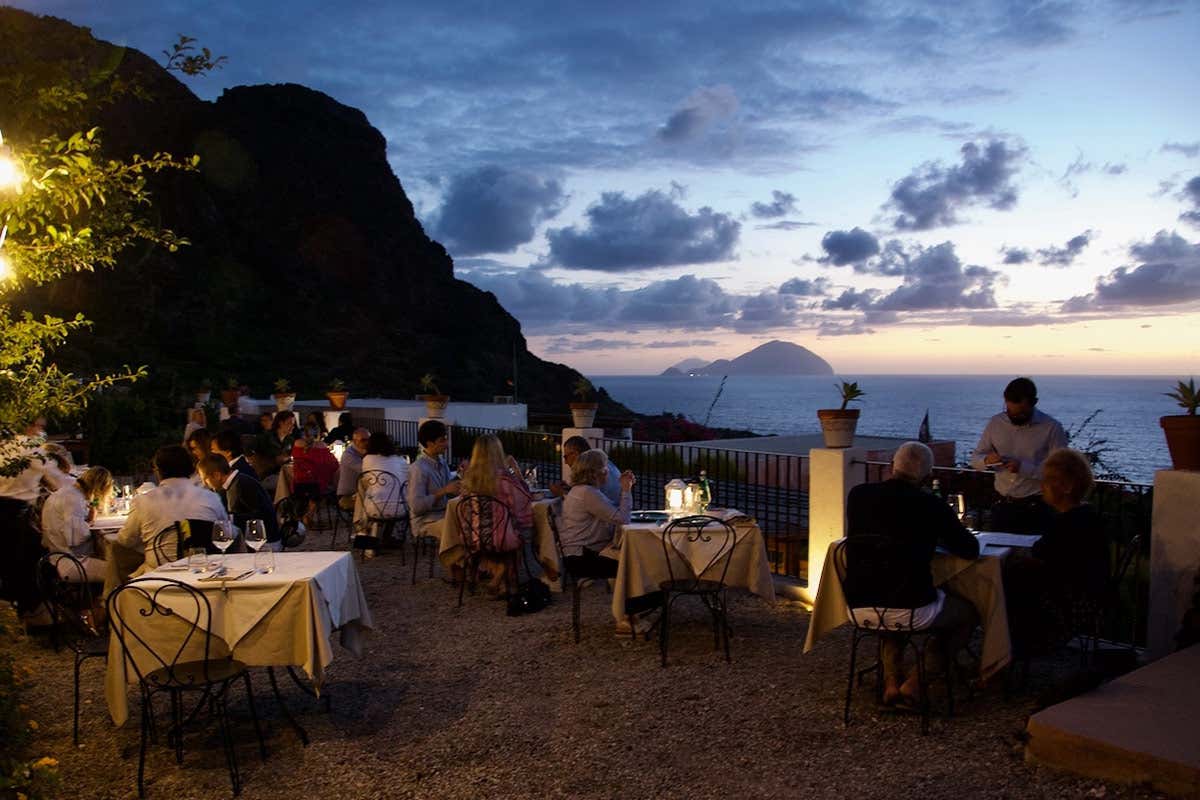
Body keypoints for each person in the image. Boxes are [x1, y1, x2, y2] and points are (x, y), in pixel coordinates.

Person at [844, 441, 980, 706]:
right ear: (927, 476)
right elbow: (969, 549)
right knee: (967, 614)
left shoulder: (858, 495)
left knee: (891, 596)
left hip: (858, 604)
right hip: (910, 608)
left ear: (891, 466)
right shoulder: (931, 505)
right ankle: (917, 682)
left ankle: (892, 683)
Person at [1005, 448, 1109, 651]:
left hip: (1069, 605)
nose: (1042, 486)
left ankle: (1008, 647)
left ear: (1067, 486)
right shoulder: (1086, 515)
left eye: (1047, 481)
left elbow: (1041, 554)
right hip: (1091, 598)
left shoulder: (1069, 523)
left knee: (1007, 583)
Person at [106, 445, 227, 593]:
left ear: (158, 471)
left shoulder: (144, 501)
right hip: (204, 576)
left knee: (115, 549)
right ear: (191, 469)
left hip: (159, 578)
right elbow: (225, 533)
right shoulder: (211, 498)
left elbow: (126, 540)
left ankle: (113, 602)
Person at [971, 377, 1067, 534]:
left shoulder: (1052, 428)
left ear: (1034, 403)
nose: (1014, 417)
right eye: (1010, 412)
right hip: (1002, 506)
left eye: (1021, 414)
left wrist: (1023, 468)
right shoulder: (996, 423)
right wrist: (987, 461)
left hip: (1037, 509)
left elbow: (1060, 472)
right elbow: (975, 459)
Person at [0, 424, 69, 624]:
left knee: (8, 563)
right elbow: (59, 484)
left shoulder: (3, 446)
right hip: (17, 515)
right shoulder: (33, 449)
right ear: (31, 427)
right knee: (32, 563)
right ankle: (34, 614)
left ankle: (16, 608)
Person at [459, 433, 533, 593]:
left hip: (473, 538)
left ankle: (497, 575)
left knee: (510, 530)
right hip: (502, 540)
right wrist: (515, 470)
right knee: (523, 531)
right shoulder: (505, 480)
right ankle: (506, 578)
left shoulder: (468, 481)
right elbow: (526, 498)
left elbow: (464, 511)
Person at [41, 466, 114, 582]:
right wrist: (90, 522)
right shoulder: (73, 500)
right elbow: (75, 539)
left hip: (57, 555)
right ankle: (109, 599)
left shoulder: (68, 492)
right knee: (118, 571)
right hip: (71, 562)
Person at [198, 454, 281, 550]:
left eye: (205, 479)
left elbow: (259, 516)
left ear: (217, 475)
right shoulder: (236, 483)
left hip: (265, 545)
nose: (204, 484)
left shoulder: (241, 484)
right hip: (257, 542)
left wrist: (227, 518)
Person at [406, 420, 460, 543]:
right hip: (425, 522)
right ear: (429, 443)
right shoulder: (418, 469)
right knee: (458, 529)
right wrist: (443, 491)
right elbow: (416, 507)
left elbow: (449, 493)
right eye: (442, 440)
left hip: (444, 516)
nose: (447, 444)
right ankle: (454, 560)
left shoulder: (442, 462)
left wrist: (462, 477)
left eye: (446, 439)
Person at [290, 428, 339, 527]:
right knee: (325, 486)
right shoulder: (322, 446)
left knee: (307, 484)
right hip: (317, 485)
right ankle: (309, 514)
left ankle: (299, 515)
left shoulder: (296, 444)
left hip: (298, 484)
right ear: (319, 435)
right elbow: (334, 465)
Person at [551, 435, 621, 504]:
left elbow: (585, 501)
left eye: (566, 457)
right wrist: (569, 488)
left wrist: (562, 493)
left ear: (575, 454)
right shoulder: (603, 462)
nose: (566, 462)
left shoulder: (591, 469)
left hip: (607, 511)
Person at [336, 427, 370, 511]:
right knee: (372, 505)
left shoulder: (366, 452)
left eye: (368, 439)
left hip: (364, 494)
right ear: (355, 441)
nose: (367, 442)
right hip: (347, 496)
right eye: (363, 440)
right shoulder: (349, 455)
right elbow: (366, 471)